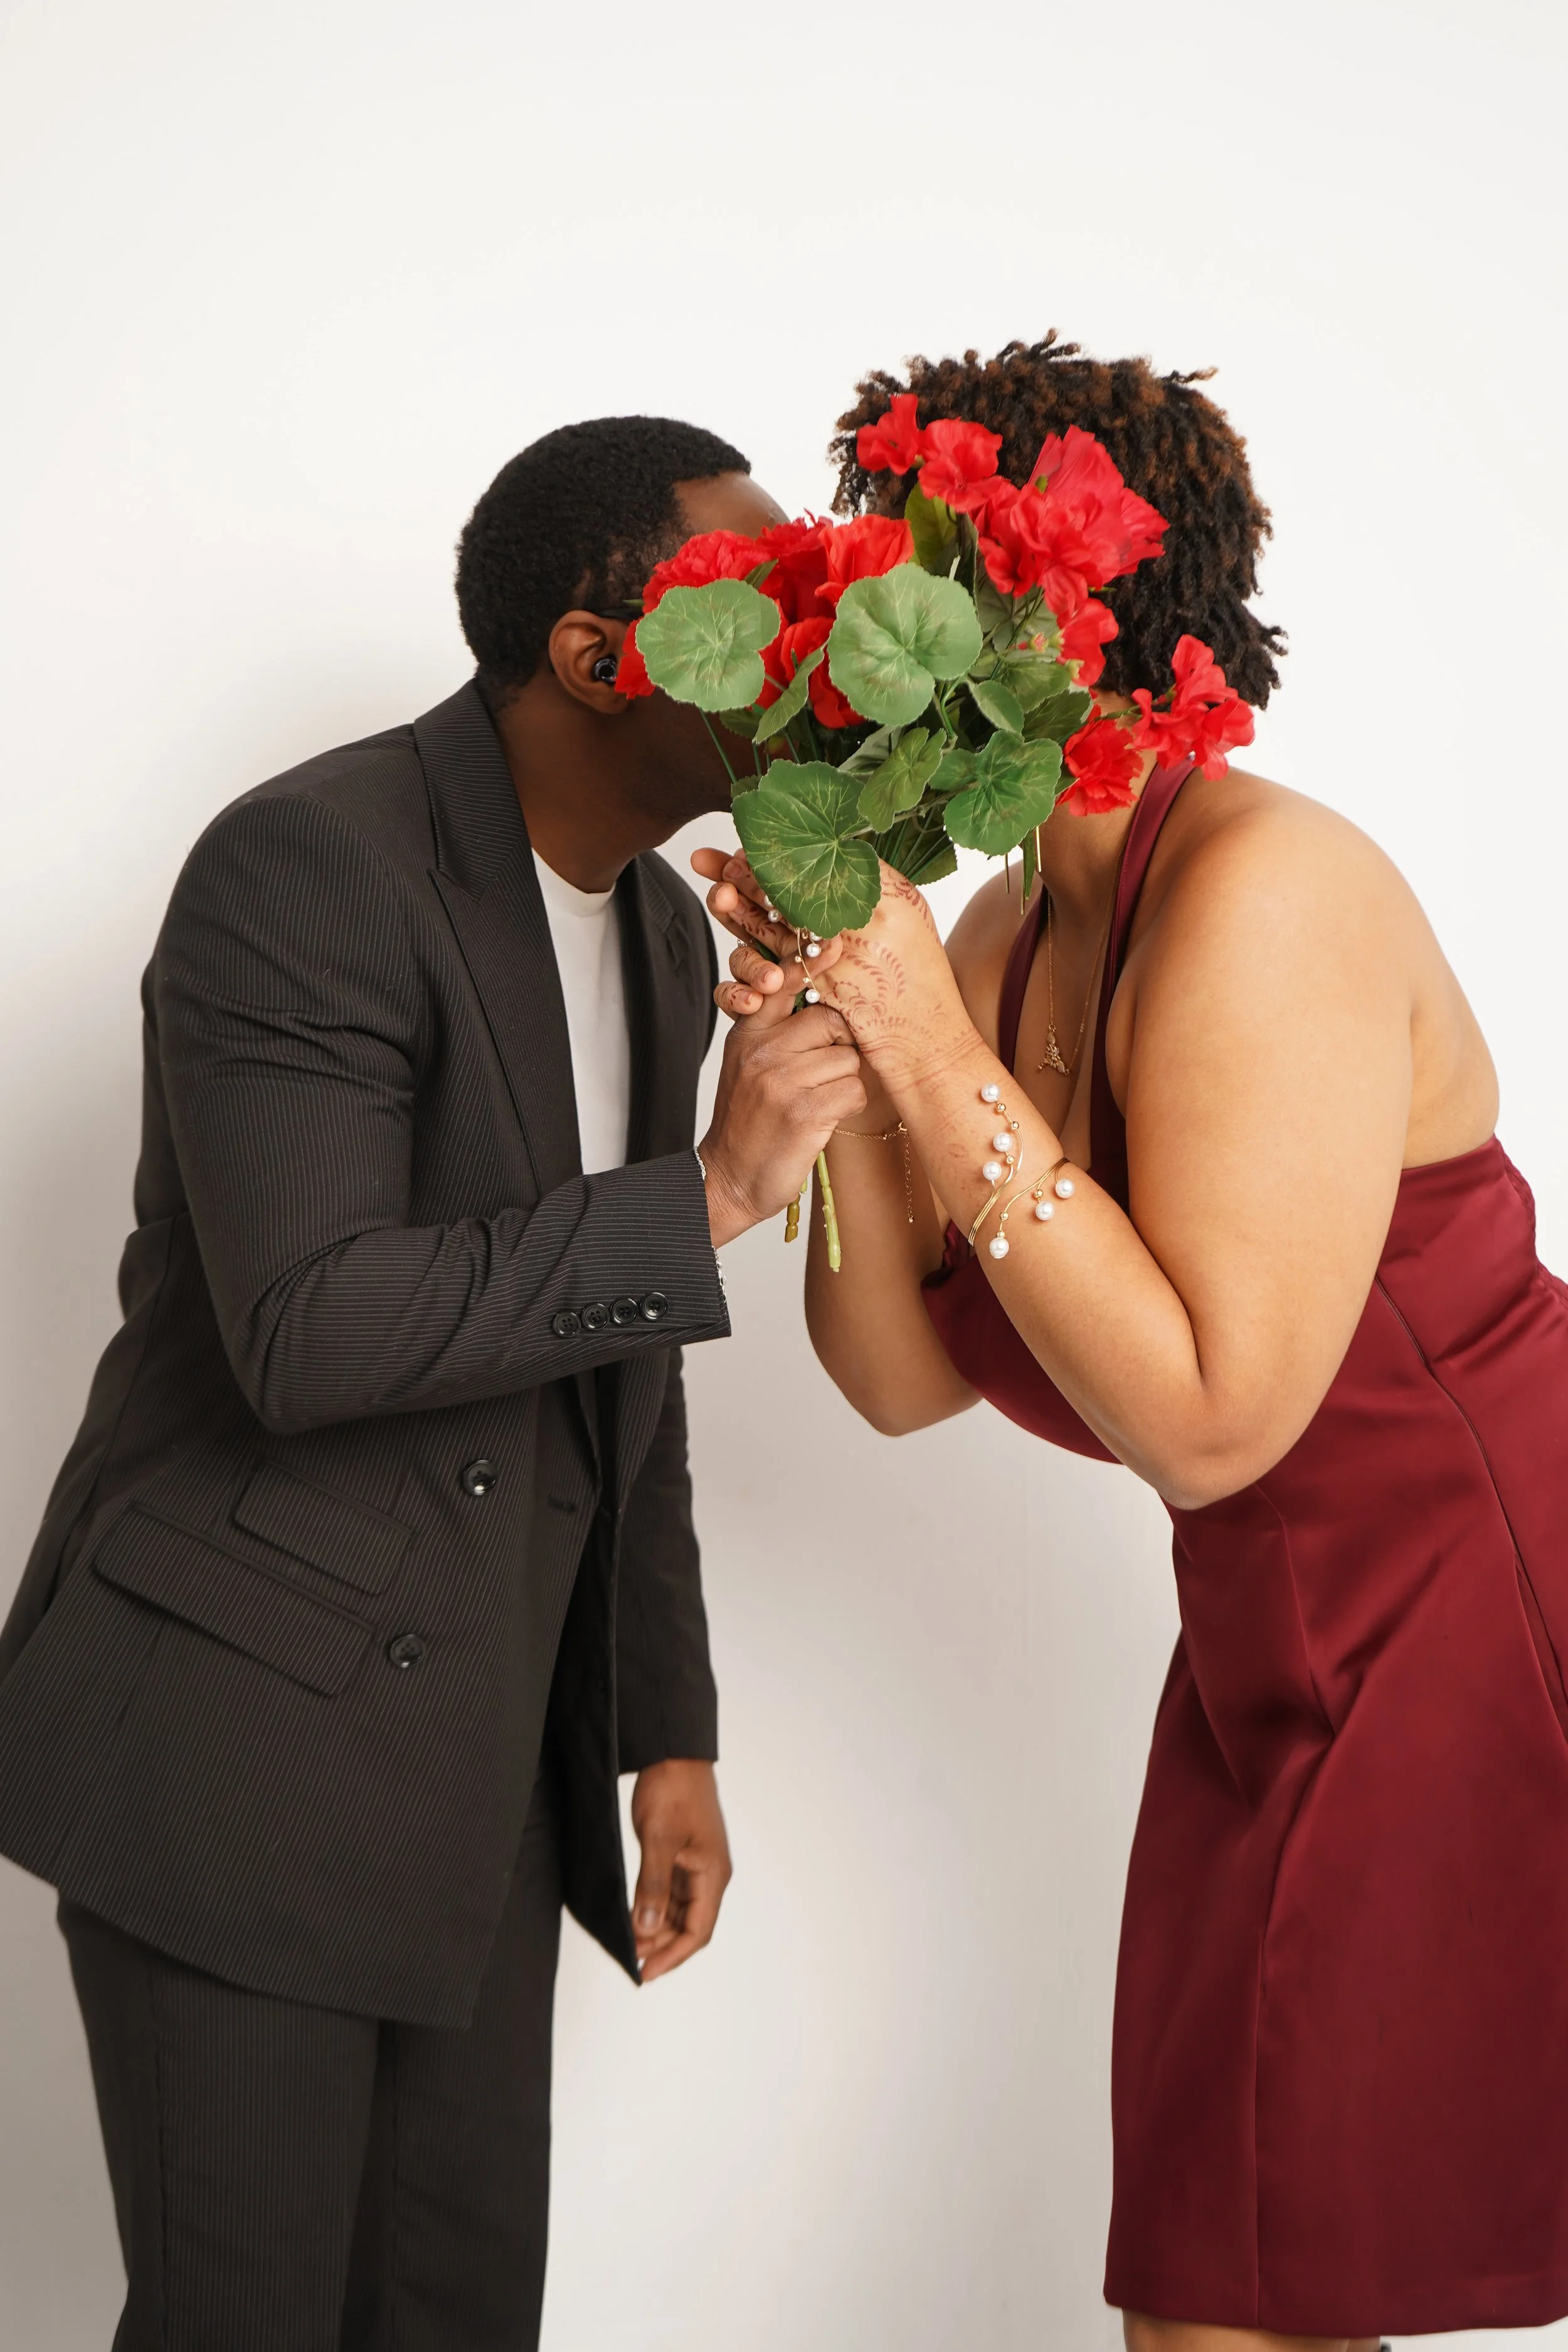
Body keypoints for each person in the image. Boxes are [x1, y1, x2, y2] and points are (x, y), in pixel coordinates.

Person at [698, 336, 1568, 2352]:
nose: (852, 624)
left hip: (1478, 1608)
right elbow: (898, 1378)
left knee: (1240, 2305)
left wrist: (922, 1041)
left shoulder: (1270, 892)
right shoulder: (998, 935)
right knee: (1216, 2281)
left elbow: (1202, 1421)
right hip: (1269, 1638)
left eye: (899, 567)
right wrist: (830, 1055)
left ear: (1038, 619)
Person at [0, 415, 866, 2350]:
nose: (820, 640)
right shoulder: (307, 864)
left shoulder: (654, 925)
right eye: (766, 600)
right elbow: (309, 1329)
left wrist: (666, 1722)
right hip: (231, 1753)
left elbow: (619, 1361)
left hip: (478, 1781)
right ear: (593, 654)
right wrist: (717, 1187)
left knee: (457, 2319)